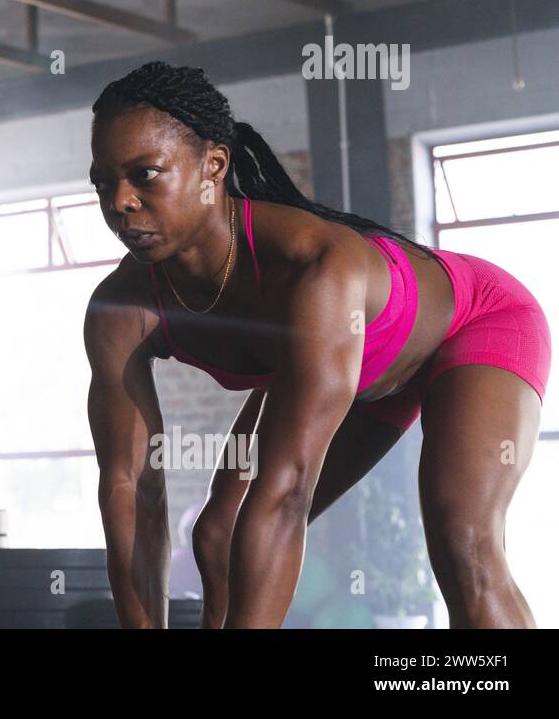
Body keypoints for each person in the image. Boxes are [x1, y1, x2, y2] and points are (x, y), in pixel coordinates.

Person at [83, 61, 550, 628]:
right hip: (351, 371)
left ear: (214, 166)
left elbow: (285, 496)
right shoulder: (119, 310)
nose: (120, 202)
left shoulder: (311, 267)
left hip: (473, 321)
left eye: (146, 174)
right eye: (104, 182)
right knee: (218, 537)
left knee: (463, 540)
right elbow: (129, 487)